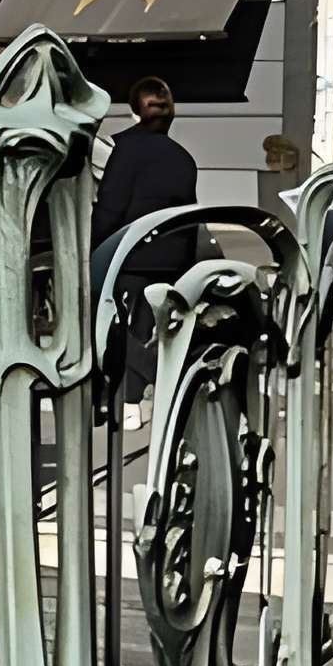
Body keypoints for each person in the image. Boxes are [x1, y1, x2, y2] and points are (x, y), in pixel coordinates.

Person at [90, 77, 201, 422]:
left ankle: (153, 382)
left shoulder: (125, 151)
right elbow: (190, 215)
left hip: (129, 254)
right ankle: (132, 402)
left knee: (108, 326)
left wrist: (92, 248)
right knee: (141, 327)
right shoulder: (184, 158)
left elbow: (111, 206)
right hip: (171, 259)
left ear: (136, 111)